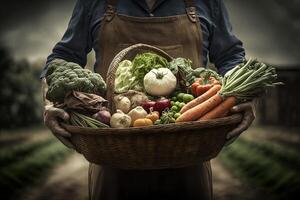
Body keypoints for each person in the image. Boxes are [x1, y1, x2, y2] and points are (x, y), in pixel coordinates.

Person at [42, 0, 256, 199]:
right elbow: (63, 56)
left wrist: (242, 94)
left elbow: (231, 57)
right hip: (112, 156)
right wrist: (50, 101)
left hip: (190, 155)